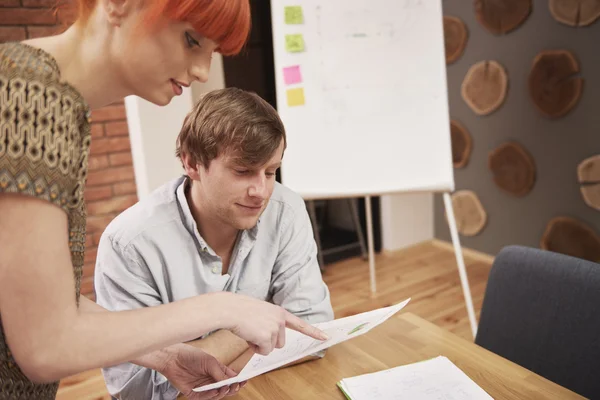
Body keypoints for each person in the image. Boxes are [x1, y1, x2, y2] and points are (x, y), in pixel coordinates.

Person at [0, 1, 328, 399]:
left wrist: (169, 357)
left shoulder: (61, 108)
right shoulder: (29, 98)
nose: (203, 71)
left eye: (210, 53)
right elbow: (45, 345)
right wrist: (223, 308)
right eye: (191, 40)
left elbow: (46, 306)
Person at [94, 87, 334, 399]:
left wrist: (204, 354)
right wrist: (261, 318)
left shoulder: (285, 210)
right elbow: (139, 389)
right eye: (243, 171)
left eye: (271, 171)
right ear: (192, 164)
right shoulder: (129, 243)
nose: (261, 191)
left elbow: (312, 330)